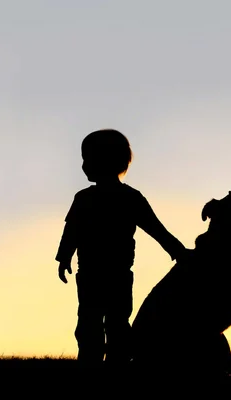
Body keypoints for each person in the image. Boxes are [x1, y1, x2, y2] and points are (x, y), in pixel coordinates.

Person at [55, 129, 188, 364]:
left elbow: (156, 228)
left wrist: (176, 250)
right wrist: (63, 257)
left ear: (104, 160)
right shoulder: (88, 198)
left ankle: (112, 361)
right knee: (93, 320)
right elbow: (72, 231)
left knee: (110, 321)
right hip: (97, 274)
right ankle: (94, 360)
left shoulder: (124, 198)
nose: (84, 165)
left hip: (110, 274)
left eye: (87, 158)